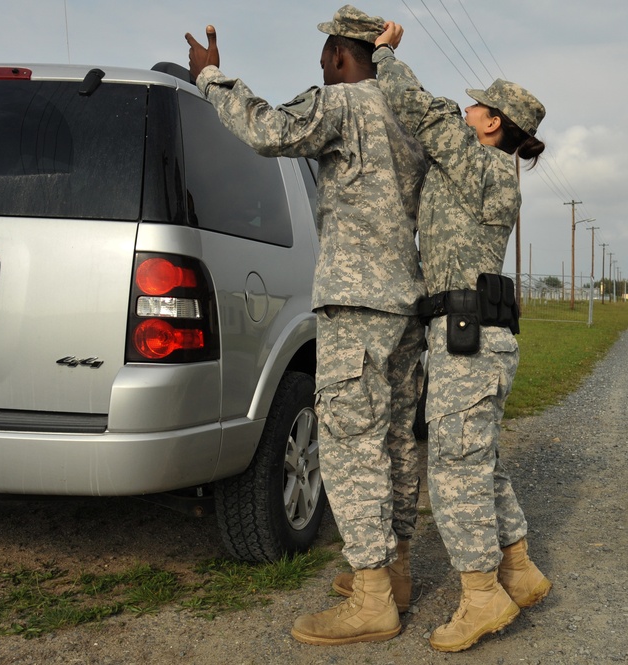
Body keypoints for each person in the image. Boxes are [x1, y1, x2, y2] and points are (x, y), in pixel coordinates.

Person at [185, 5, 427, 645]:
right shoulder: (408, 115)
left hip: (354, 302)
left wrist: (212, 78)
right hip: (404, 304)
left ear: (341, 57)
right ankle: (396, 570)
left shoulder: (344, 104)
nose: (320, 63)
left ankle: (373, 596)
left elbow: (267, 130)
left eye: (326, 54)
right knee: (398, 439)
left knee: (350, 443)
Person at [371, 22, 552, 653]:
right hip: (470, 333)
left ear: (494, 123)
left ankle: (482, 597)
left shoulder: (483, 163)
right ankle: (519, 569)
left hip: (466, 336)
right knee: (482, 460)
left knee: (454, 471)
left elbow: (421, 111)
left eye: (476, 104)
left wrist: (385, 52)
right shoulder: (481, 166)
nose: (465, 106)